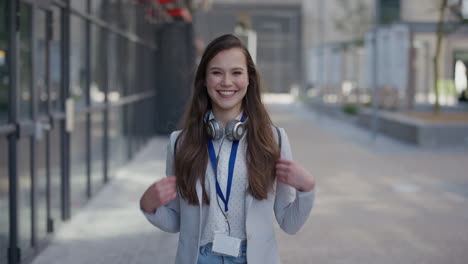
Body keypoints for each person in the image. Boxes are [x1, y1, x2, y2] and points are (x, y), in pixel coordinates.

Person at [140, 34, 315, 264]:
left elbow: (289, 223)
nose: (226, 82)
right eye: (216, 72)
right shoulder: (180, 143)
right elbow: (175, 221)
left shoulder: (274, 139)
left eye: (236, 72)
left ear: (249, 78)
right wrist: (148, 206)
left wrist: (307, 189)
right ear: (204, 79)